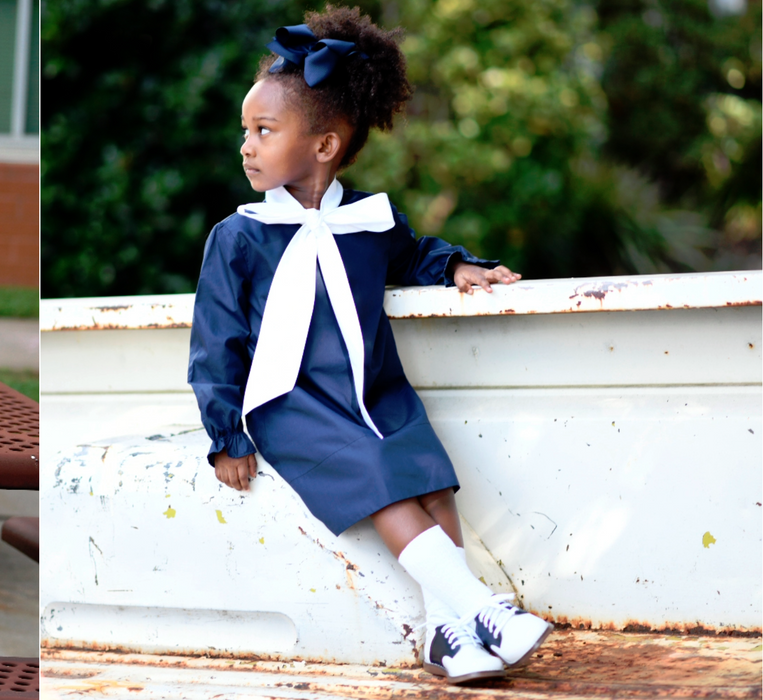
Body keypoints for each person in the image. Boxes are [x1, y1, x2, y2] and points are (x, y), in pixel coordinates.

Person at [187, 7, 552, 686]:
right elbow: (215, 343)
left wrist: (457, 268)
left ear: (323, 147)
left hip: (372, 389)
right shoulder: (238, 237)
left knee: (432, 480)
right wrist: (225, 433)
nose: (247, 146)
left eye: (264, 131)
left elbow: (414, 255)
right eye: (247, 131)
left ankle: (444, 636)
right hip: (291, 402)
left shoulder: (369, 223)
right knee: (386, 485)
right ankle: (482, 610)